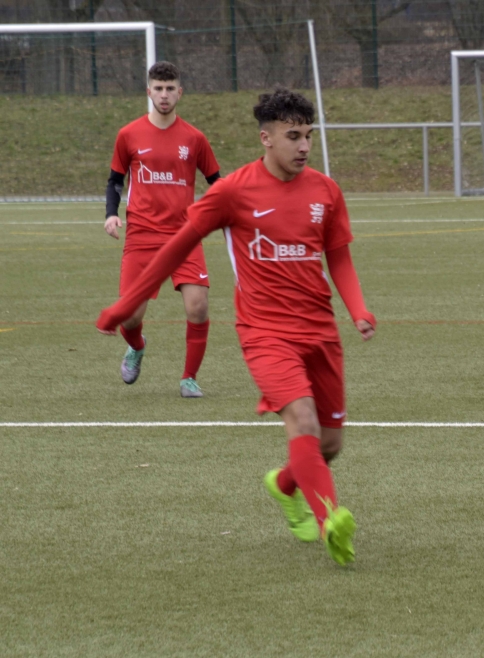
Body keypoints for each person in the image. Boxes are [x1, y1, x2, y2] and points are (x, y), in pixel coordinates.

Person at [97, 88, 375, 565]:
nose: (304, 146)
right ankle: (331, 519)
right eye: (293, 136)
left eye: (308, 135)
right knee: (303, 421)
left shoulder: (326, 191)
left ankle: (285, 484)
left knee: (329, 445)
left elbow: (339, 257)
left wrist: (358, 309)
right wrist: (127, 303)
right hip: (265, 332)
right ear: (266, 138)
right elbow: (176, 246)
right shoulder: (233, 191)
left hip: (320, 331)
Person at [105, 61, 221, 398]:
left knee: (198, 306)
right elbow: (115, 180)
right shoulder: (129, 134)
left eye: (170, 88)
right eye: (158, 88)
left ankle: (189, 378)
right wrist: (111, 214)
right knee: (129, 316)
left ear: (180, 92)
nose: (164, 94)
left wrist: (224, 213)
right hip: (142, 235)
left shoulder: (194, 138)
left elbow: (216, 181)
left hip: (184, 235)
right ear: (149, 91)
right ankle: (137, 346)